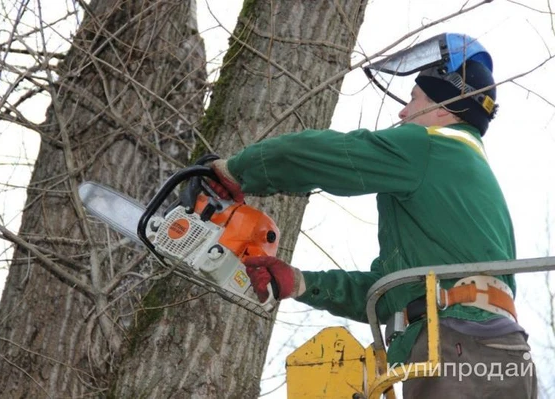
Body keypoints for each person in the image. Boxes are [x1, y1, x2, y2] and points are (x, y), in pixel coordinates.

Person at [208, 33, 537, 398]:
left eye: (414, 99)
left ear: (444, 108)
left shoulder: (429, 147)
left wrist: (237, 171)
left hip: (458, 346)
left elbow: (326, 154)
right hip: (502, 355)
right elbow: (388, 292)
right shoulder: (462, 182)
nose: (402, 112)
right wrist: (300, 282)